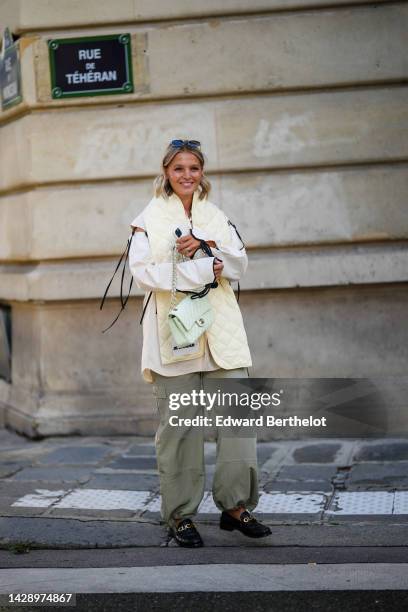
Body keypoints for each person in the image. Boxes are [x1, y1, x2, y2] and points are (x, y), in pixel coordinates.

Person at [128, 139, 271, 547]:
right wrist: (205, 267)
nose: (187, 175)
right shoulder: (149, 218)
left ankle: (235, 506)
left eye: (194, 168)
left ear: (202, 173)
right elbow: (145, 274)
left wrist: (209, 249)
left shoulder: (215, 215)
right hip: (174, 333)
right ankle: (180, 516)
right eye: (179, 169)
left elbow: (239, 264)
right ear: (166, 173)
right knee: (179, 430)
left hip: (222, 331)